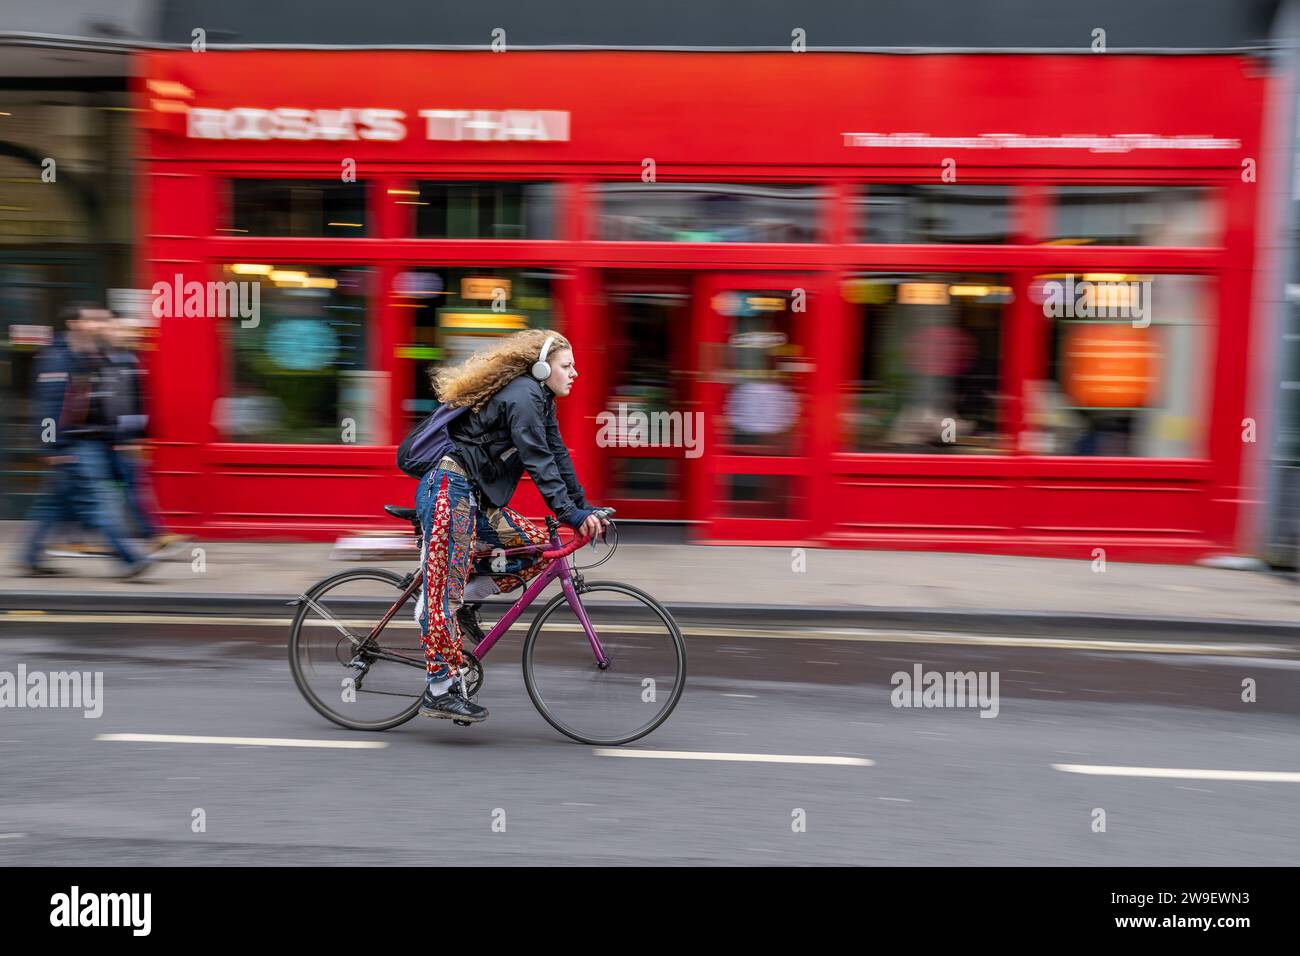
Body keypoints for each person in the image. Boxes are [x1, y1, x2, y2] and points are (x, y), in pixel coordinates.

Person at [414, 329, 608, 723]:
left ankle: (463, 599)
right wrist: (570, 513)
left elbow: (556, 457)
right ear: (541, 366)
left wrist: (583, 508)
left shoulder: (540, 400)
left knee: (537, 552)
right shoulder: (523, 395)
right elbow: (537, 462)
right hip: (448, 491)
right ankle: (439, 688)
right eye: (567, 366)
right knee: (442, 593)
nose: (576, 373)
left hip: (475, 499)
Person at [20, 302, 153, 578]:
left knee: (55, 503)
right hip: (74, 443)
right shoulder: (58, 358)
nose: (102, 325)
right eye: (94, 320)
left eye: (103, 320)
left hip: (97, 441)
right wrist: (51, 446)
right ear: (74, 324)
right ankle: (129, 559)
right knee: (98, 501)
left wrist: (118, 437)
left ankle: (29, 556)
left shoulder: (95, 355)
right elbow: (48, 405)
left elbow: (106, 401)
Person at [101, 315, 188, 555]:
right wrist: (122, 439)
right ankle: (151, 534)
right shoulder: (106, 361)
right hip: (117, 440)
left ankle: (150, 534)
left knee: (127, 487)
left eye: (128, 330)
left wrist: (143, 436)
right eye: (119, 329)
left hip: (128, 438)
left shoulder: (129, 359)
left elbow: (137, 402)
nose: (127, 334)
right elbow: (113, 405)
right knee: (128, 487)